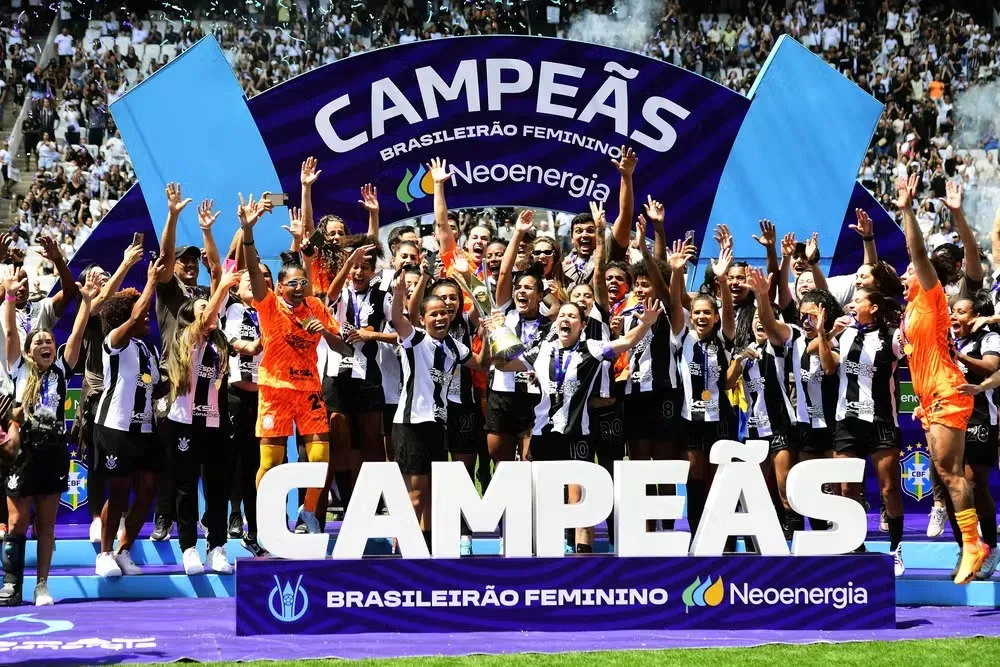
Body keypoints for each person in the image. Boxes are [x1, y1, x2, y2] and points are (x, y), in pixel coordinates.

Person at [502, 299, 661, 552]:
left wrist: (646, 324)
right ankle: (547, 557)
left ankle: (582, 558)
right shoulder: (540, 350)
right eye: (562, 315)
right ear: (556, 322)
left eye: (572, 316)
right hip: (544, 436)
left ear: (582, 325)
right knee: (547, 500)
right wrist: (497, 331)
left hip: (578, 435)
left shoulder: (592, 348)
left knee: (580, 503)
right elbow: (503, 363)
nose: (565, 319)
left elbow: (626, 343)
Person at [895, 172, 987, 585]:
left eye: (910, 271)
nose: (905, 274)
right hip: (932, 400)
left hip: (950, 392)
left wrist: (907, 210)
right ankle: (968, 542)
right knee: (947, 477)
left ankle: (974, 544)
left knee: (954, 475)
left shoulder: (932, 297)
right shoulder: (911, 309)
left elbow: (917, 254)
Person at [240, 192, 349, 534]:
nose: (299, 287)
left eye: (303, 282)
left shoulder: (317, 307)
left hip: (309, 391)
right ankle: (268, 520)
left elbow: (344, 350)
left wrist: (327, 335)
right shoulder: (269, 304)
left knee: (319, 459)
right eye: (292, 283)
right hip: (274, 390)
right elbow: (255, 272)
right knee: (271, 462)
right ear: (281, 284)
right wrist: (248, 232)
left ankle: (309, 511)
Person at [0, 268, 94, 606]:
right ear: (27, 350)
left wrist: (86, 302)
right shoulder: (18, 368)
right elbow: (10, 330)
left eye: (49, 341)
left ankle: (42, 585)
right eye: (38, 341)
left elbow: (79, 333)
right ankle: (11, 586)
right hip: (23, 454)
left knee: (47, 524)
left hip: (54, 452)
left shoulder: (61, 370)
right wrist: (10, 295)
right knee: (16, 520)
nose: (44, 344)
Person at [387, 275, 489, 552]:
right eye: (434, 314)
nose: (441, 318)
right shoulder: (415, 338)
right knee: (416, 493)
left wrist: (488, 336)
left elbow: (481, 364)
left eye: (445, 313)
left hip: (436, 425)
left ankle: (428, 544)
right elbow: (397, 318)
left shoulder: (455, 347)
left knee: (431, 493)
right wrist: (398, 293)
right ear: (423, 318)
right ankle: (401, 548)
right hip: (411, 424)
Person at [819, 286, 906, 575]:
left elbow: (911, 353)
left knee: (889, 488)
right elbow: (828, 368)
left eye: (858, 301)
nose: (852, 305)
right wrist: (824, 333)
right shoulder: (844, 334)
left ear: (875, 307)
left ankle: (895, 548)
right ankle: (855, 547)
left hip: (881, 420)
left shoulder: (891, 336)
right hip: (846, 421)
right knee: (846, 489)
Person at [164, 263, 242, 575]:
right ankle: (188, 548)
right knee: (185, 488)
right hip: (182, 423)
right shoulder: (187, 337)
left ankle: (217, 548)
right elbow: (210, 313)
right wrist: (223, 284)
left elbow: (216, 314)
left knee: (219, 487)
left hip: (215, 424)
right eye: (203, 306)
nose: (211, 311)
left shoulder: (219, 343)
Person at [93, 259, 164, 577]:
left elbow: (158, 389)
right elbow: (136, 313)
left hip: (145, 430)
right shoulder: (114, 343)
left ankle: (124, 551)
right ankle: (104, 555)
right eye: (140, 312)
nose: (146, 316)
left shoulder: (147, 350)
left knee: (147, 489)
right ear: (125, 318)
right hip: (115, 428)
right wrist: (150, 281)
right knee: (119, 491)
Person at [668, 235, 736, 539]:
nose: (700, 316)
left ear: (715, 317)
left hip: (721, 417)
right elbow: (673, 303)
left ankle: (722, 535)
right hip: (689, 419)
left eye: (707, 312)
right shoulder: (683, 335)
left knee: (720, 478)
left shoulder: (724, 337)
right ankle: (697, 535)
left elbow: (729, 314)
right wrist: (676, 272)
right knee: (695, 478)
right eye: (696, 312)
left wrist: (722, 280)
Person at [950, 291, 1000, 580]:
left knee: (973, 484)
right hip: (951, 419)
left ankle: (991, 546)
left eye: (961, 312)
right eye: (953, 312)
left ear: (977, 316)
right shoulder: (954, 339)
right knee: (951, 486)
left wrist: (957, 355)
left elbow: (992, 368)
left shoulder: (989, 338)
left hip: (981, 416)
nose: (955, 317)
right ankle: (966, 547)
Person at [223, 266, 272, 557]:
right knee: (233, 460)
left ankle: (257, 528)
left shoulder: (272, 309)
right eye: (252, 277)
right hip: (235, 394)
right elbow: (230, 342)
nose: (259, 280)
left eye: (266, 276)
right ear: (235, 287)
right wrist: (250, 345)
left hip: (266, 396)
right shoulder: (230, 308)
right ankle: (233, 513)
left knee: (259, 462)